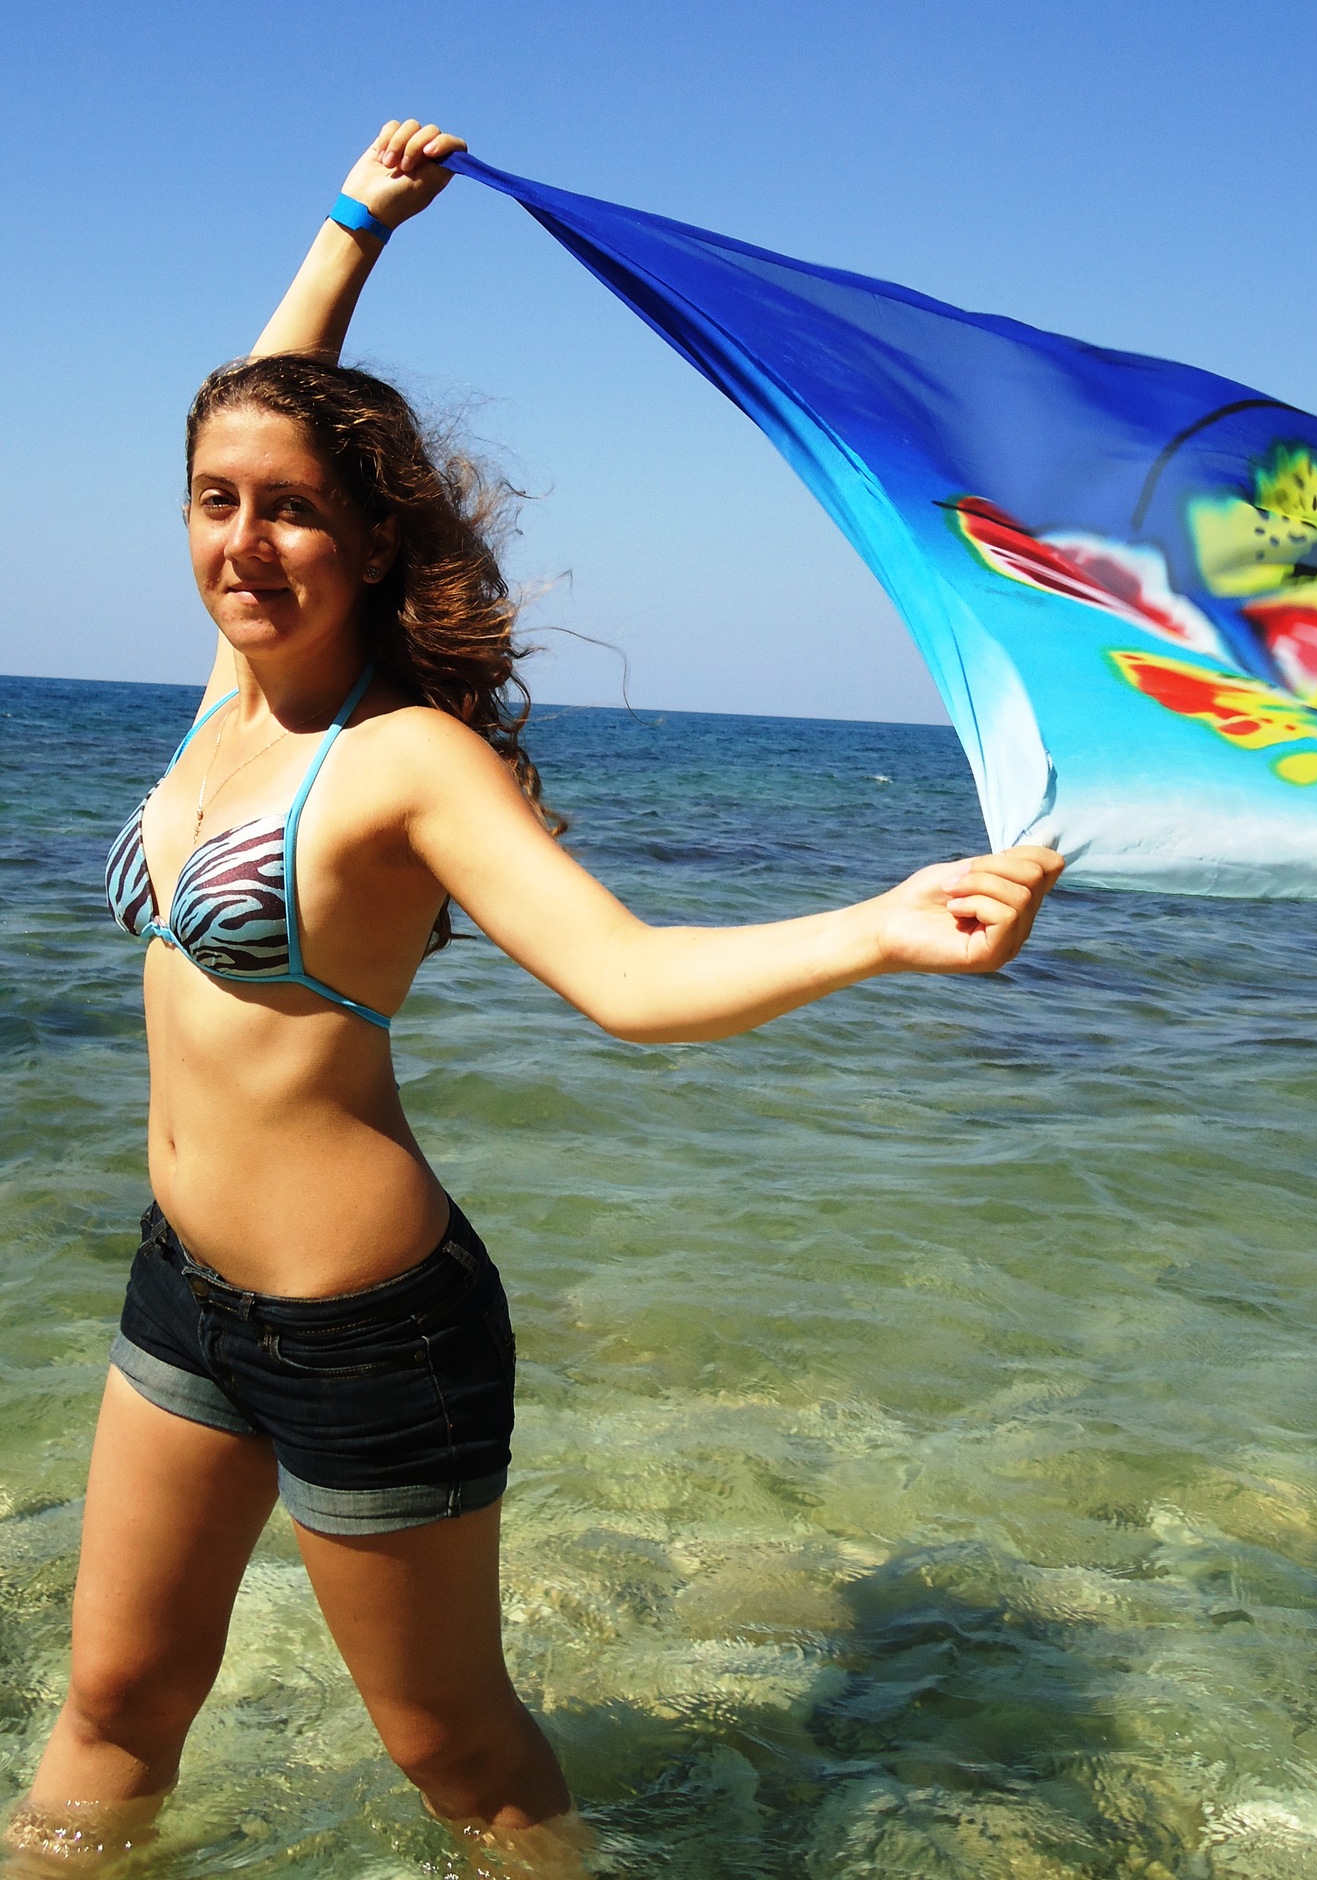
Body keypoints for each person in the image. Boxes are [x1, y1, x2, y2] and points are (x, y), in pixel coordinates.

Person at [8, 121, 1064, 1867]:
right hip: (179, 1290)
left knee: (456, 1754)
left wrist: (876, 927)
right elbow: (267, 394)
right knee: (115, 1697)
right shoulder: (226, 698)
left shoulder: (407, 760)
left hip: (368, 1327)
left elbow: (627, 978)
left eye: (292, 510)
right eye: (216, 502)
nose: (245, 542)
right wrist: (352, 227)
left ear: (369, 539)